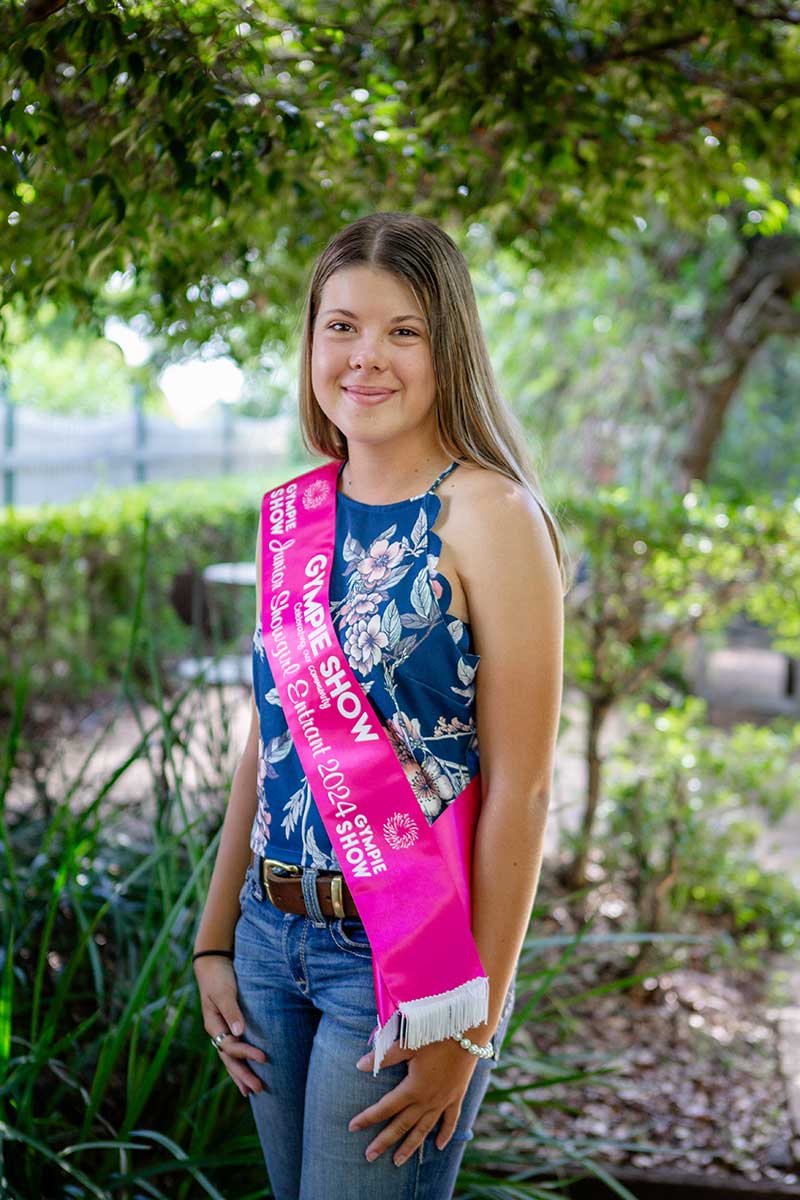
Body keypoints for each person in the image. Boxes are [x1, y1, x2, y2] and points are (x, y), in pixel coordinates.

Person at [192, 211, 569, 1199]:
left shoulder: (492, 517)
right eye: (341, 326)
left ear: (446, 346)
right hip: (271, 949)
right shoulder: (289, 515)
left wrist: (466, 1024)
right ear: (311, 341)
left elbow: (522, 790)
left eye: (402, 330)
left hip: (402, 960)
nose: (366, 357)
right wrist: (214, 938)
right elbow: (265, 744)